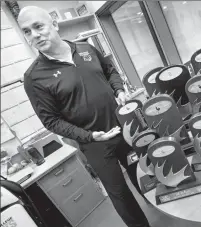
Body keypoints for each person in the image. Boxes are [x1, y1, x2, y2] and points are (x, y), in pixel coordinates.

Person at [18, 6, 150, 227]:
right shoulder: (34, 78)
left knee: (144, 175)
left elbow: (110, 71)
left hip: (124, 129)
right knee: (120, 195)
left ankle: (164, 210)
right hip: (96, 144)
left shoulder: (85, 48)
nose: (34, 35)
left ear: (54, 23)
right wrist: (89, 136)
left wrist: (119, 90)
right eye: (27, 31)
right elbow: (51, 120)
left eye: (38, 26)